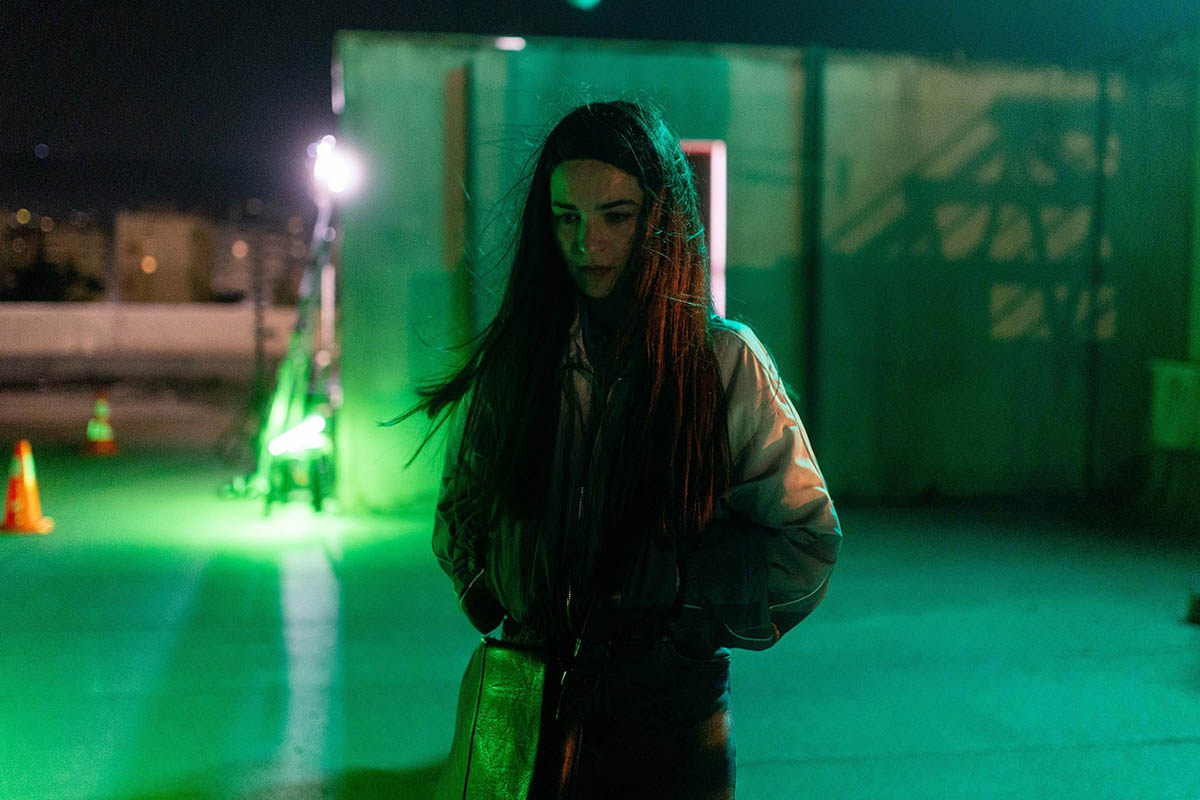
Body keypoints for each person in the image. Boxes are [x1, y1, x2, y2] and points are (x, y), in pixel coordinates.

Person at [403, 100, 841, 799]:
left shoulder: (722, 362)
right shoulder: (520, 361)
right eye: (566, 218)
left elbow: (806, 538)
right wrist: (506, 606)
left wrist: (680, 617)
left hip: (668, 722)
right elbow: (460, 511)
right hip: (525, 709)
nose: (588, 244)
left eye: (616, 215)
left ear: (659, 219)